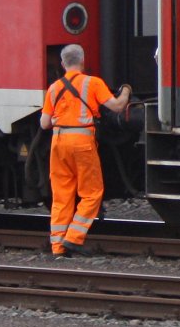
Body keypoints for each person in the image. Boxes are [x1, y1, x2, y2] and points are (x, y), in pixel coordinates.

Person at [40, 44, 131, 257]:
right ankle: (73, 238)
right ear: (82, 61)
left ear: (63, 64)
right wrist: (126, 90)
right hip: (82, 143)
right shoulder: (92, 82)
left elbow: (44, 123)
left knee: (61, 195)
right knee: (91, 193)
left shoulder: (53, 88)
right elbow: (117, 106)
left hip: (58, 143)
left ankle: (58, 247)